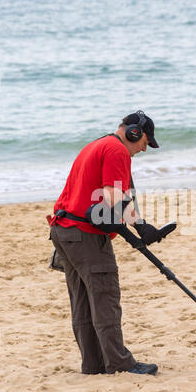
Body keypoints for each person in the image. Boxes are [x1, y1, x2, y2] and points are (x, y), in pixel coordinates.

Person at [50, 111, 161, 375]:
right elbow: (113, 198)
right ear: (134, 132)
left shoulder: (96, 145)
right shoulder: (116, 151)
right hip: (85, 234)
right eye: (145, 142)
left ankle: (93, 364)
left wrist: (138, 225)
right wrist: (139, 225)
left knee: (83, 301)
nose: (144, 149)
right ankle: (120, 363)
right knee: (104, 296)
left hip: (63, 230)